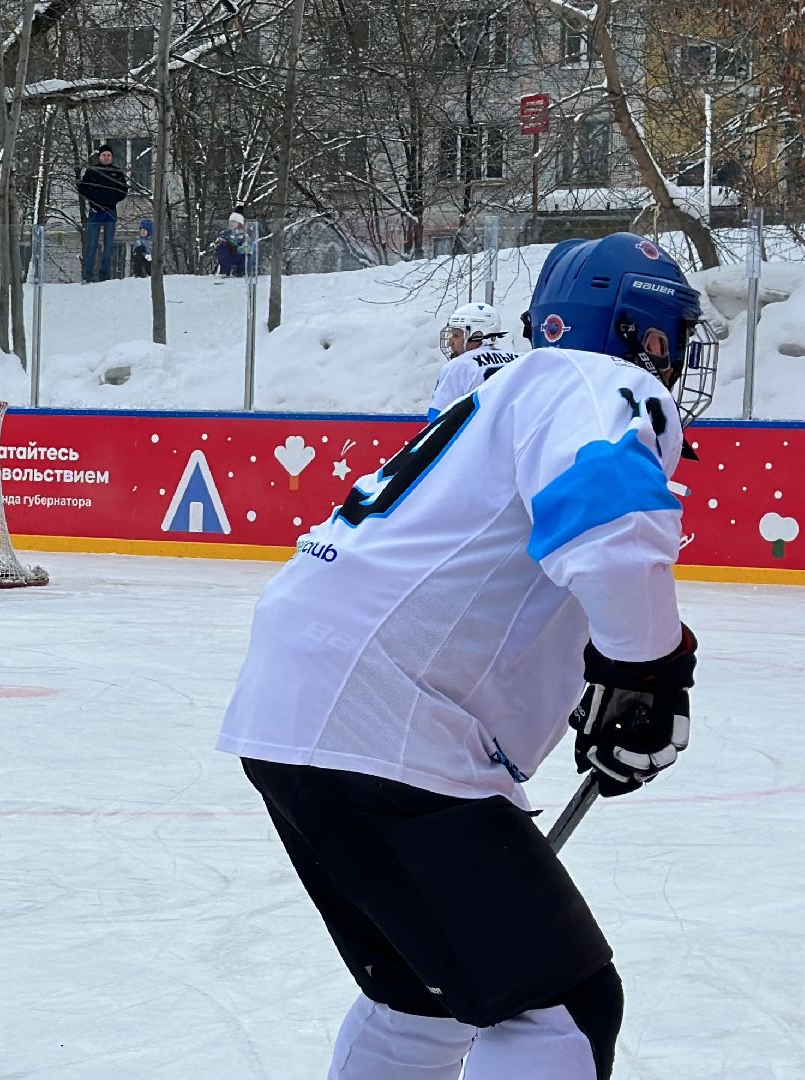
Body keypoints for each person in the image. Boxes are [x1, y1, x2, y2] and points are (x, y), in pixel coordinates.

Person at [215, 231, 717, 1080]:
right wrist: (648, 671)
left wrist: (619, 668)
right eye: (671, 338)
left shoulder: (511, 388)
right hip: (392, 721)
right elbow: (606, 515)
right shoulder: (600, 383)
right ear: (641, 333)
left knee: (422, 999)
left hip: (297, 708)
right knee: (560, 1008)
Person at [427, 301, 520, 417]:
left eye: (456, 336)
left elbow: (437, 418)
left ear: (476, 336)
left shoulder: (459, 366)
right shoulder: (518, 359)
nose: (450, 342)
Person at [78, 145, 127, 282]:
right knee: (92, 244)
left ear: (112, 157)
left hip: (110, 212)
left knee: (109, 245)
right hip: (95, 212)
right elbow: (82, 188)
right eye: (104, 155)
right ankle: (88, 275)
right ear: (99, 156)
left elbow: (123, 190)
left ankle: (105, 275)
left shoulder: (116, 172)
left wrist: (114, 200)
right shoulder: (92, 171)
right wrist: (92, 201)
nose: (106, 157)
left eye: (109, 155)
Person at [213, 210, 249, 278]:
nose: (231, 223)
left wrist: (234, 246)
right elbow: (216, 247)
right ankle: (225, 270)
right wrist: (219, 243)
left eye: (234, 221)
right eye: (230, 221)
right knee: (222, 246)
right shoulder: (225, 233)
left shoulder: (244, 235)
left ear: (240, 223)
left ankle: (238, 271)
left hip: (239, 257)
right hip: (227, 257)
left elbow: (246, 248)